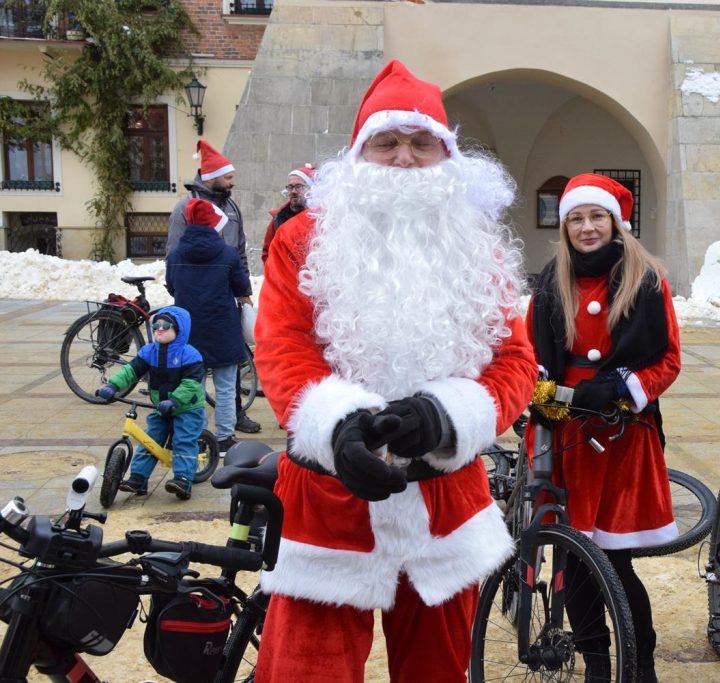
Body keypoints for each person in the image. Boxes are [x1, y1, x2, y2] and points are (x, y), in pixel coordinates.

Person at [253, 60, 535, 681]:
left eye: (421, 143)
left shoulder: (477, 241)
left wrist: (446, 414)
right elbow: (282, 345)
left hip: (445, 498)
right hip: (330, 496)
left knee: (439, 671)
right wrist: (336, 426)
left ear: (447, 155)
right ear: (359, 154)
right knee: (308, 671)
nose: (405, 158)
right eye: (387, 142)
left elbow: (515, 360)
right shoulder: (303, 237)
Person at [527, 173, 680, 682]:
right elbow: (530, 357)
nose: (587, 227)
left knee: (616, 563)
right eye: (576, 218)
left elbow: (667, 361)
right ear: (565, 226)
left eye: (597, 217)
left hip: (619, 436)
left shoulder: (647, 278)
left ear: (616, 223)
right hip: (564, 433)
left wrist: (620, 387)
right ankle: (595, 662)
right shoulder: (551, 281)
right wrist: (542, 394)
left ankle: (640, 666)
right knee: (574, 561)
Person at [166, 139, 262, 435]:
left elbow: (241, 248)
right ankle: (222, 432)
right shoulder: (185, 207)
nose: (233, 182)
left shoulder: (231, 206)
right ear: (211, 178)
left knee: (227, 364)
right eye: (228, 177)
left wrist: (243, 294)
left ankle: (230, 416)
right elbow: (174, 253)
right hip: (205, 300)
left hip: (223, 295)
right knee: (215, 366)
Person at [165, 198, 253, 455]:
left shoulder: (177, 255)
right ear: (214, 224)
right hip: (222, 328)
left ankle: (198, 435)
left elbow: (172, 287)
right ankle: (224, 437)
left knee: (194, 385)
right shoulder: (227, 253)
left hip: (188, 331)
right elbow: (240, 287)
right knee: (226, 387)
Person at [95, 306, 205, 500]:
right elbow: (131, 371)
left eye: (166, 325)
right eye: (156, 325)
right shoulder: (149, 351)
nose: (159, 329)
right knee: (150, 438)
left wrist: (175, 400)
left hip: (187, 407)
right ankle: (138, 478)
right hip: (161, 406)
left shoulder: (190, 354)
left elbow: (191, 384)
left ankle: (183, 479)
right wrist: (113, 386)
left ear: (179, 330)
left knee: (183, 440)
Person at [261, 163, 315, 264]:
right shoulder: (279, 218)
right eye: (290, 187)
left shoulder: (320, 218)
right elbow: (268, 253)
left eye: (299, 186)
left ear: (311, 189)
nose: (293, 191)